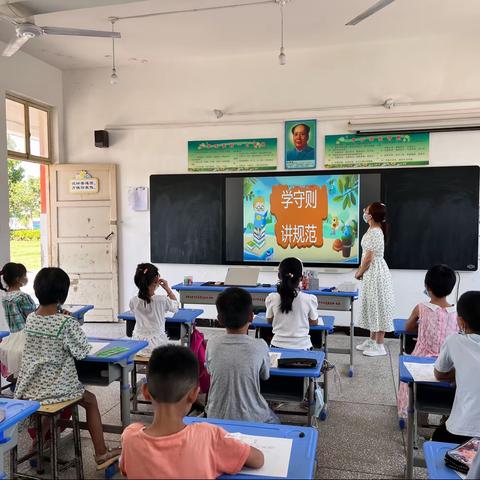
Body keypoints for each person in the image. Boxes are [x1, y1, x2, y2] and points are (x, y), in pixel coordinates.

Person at [14, 267, 121, 469]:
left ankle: (35, 447)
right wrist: (70, 321)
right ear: (62, 294)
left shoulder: (31, 318)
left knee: (46, 404)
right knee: (90, 400)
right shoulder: (66, 323)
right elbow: (82, 351)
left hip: (29, 388)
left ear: (37, 290)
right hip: (56, 389)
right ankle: (101, 453)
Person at [120, 345, 264, 479]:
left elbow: (125, 469)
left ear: (145, 392)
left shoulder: (130, 438)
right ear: (194, 394)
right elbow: (258, 459)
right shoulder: (209, 436)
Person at [206, 287, 277, 423]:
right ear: (251, 317)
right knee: (276, 421)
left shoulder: (212, 343)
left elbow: (210, 370)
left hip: (215, 416)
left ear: (219, 319)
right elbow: (265, 375)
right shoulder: (260, 345)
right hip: (252, 418)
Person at [397, 265, 458, 420]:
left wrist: (423, 325)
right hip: (449, 365)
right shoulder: (457, 313)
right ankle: (446, 417)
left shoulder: (421, 308)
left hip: (421, 362)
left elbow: (408, 327)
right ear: (450, 288)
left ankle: (419, 418)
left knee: (415, 384)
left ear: (427, 287)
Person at [432, 291, 480, 443]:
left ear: (461, 321)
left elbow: (439, 374)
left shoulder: (455, 341)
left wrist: (460, 371)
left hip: (463, 430)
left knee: (437, 439)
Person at [355, 202, 395, 357]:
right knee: (373, 304)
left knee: (378, 304)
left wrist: (359, 272)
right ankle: (372, 340)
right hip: (373, 273)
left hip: (376, 272)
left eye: (367, 209)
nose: (364, 211)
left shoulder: (375, 232)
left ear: (371, 215)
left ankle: (380, 345)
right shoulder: (372, 229)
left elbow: (368, 258)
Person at [266, 257, 318, 350]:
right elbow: (314, 322)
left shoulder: (272, 298)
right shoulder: (309, 299)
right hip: (303, 347)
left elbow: (269, 320)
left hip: (277, 346)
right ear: (301, 278)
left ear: (279, 276)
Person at [129, 263, 179, 356]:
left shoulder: (133, 301)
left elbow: (133, 311)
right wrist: (168, 289)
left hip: (137, 346)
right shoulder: (162, 300)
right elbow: (176, 307)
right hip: (157, 347)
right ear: (156, 280)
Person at [0, 262, 36, 377]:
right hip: (23, 338)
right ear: (18, 279)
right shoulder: (22, 297)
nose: (26, 278)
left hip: (7, 339)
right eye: (24, 276)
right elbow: (33, 318)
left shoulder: (3, 296)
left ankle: (14, 379)